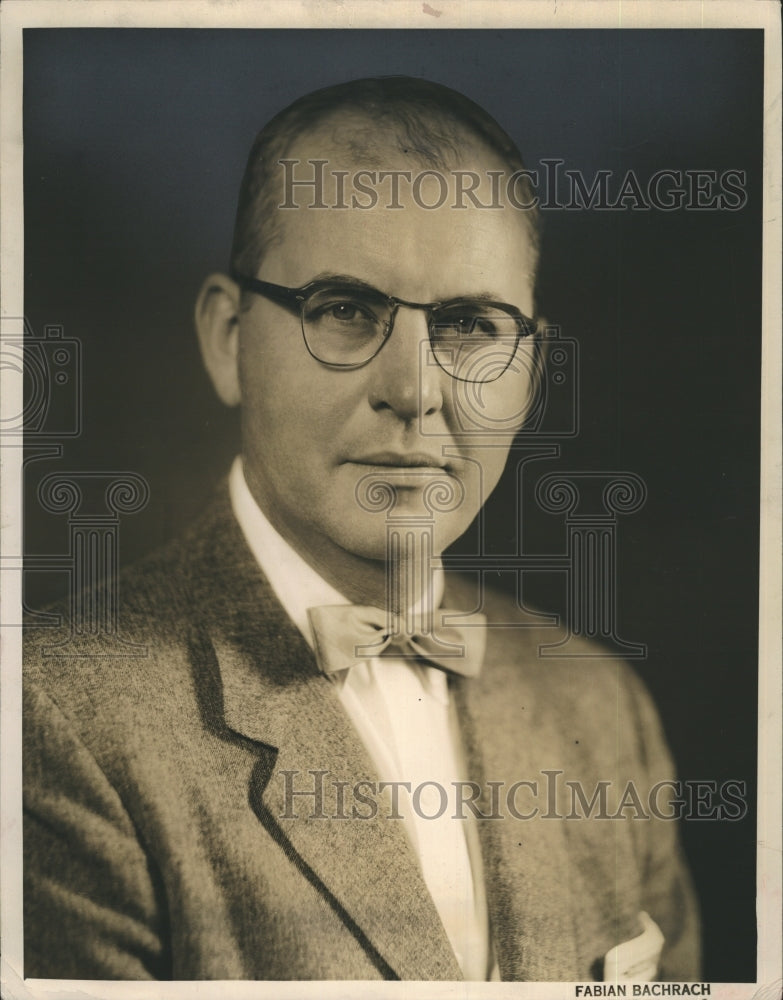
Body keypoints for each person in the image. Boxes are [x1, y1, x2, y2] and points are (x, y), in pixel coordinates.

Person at [23, 76, 700, 982]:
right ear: (228, 339)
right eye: (344, 310)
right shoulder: (52, 718)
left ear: (532, 370)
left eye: (470, 325)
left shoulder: (602, 707)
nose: (413, 391)